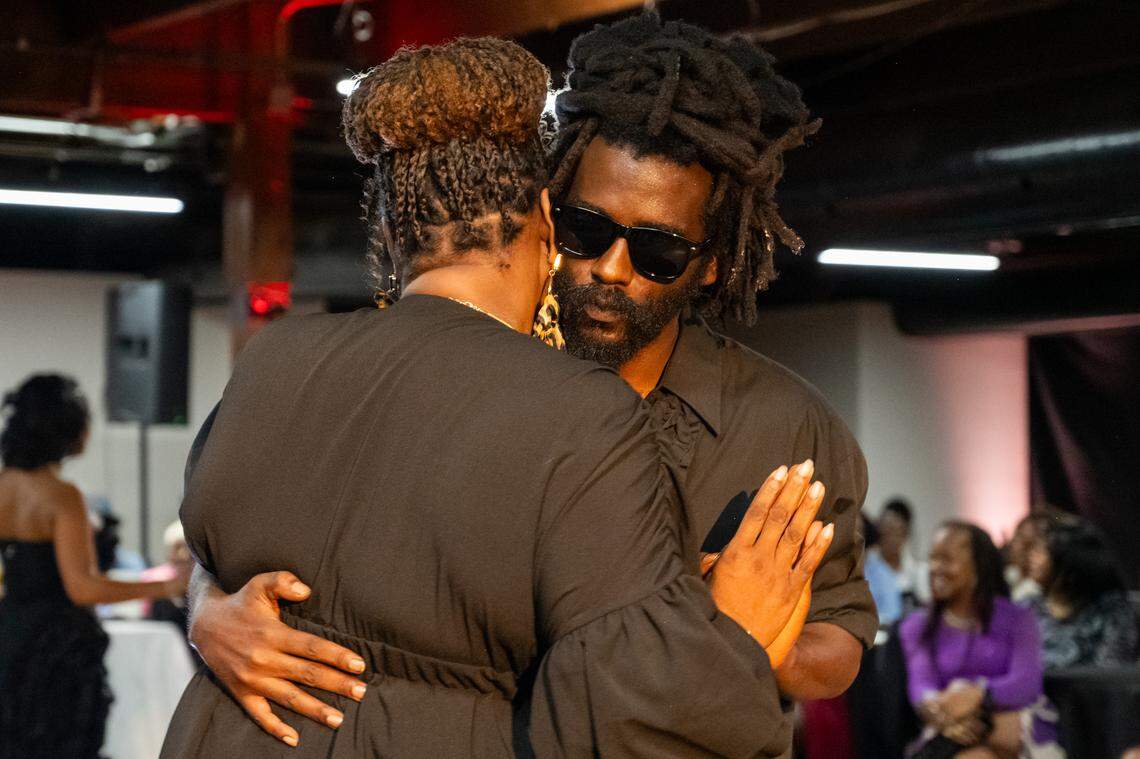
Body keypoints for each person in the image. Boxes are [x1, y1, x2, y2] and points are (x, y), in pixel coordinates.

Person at [184, 14, 876, 741]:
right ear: (545, 215)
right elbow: (237, 538)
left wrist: (750, 643)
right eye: (587, 230)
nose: (611, 268)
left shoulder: (786, 425)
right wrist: (207, 613)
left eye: (658, 252)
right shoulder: (466, 374)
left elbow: (842, 638)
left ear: (709, 264)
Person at [0, 374, 188, 759]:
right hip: (55, 650)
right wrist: (166, 586)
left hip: (8, 636)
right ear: (68, 428)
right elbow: (83, 589)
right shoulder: (61, 497)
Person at [899, 522, 1044, 759]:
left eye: (947, 559)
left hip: (1013, 730)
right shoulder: (917, 625)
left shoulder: (1018, 618)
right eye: (932, 558)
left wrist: (977, 694)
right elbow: (921, 686)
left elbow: (1027, 682)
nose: (936, 568)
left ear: (978, 566)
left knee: (1004, 732)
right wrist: (945, 715)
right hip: (948, 729)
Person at [1026, 517, 1138, 669]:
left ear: (1069, 560)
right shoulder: (1027, 606)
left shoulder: (1114, 609)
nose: (1032, 558)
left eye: (1042, 552)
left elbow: (1111, 673)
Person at [874, 497, 931, 608]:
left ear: (905, 533)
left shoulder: (920, 572)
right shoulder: (867, 570)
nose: (888, 538)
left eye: (894, 531)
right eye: (884, 530)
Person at [1005, 512, 1051, 604]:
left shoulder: (1032, 591)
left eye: (1026, 543)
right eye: (1016, 537)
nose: (1014, 545)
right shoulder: (1011, 575)